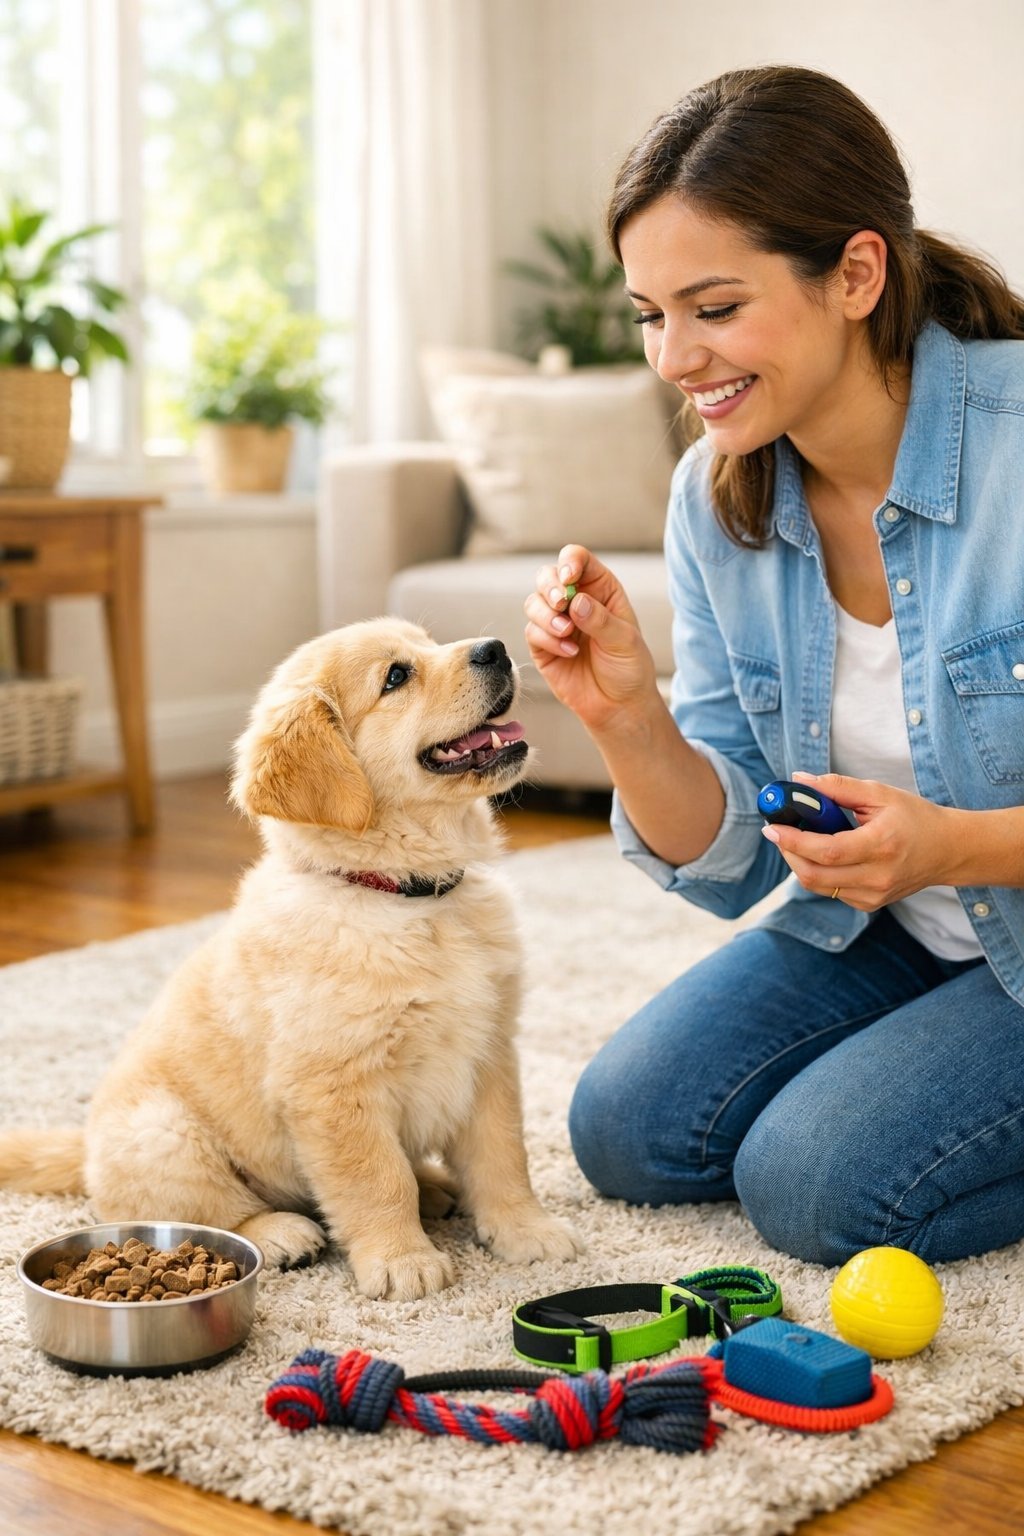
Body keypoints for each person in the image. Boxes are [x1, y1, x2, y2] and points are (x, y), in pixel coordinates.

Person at [524, 64, 1024, 1267]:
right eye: (651, 314)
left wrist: (949, 847)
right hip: (897, 925)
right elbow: (733, 858)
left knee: (816, 1187)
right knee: (627, 1131)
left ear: (856, 275)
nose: (674, 358)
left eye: (713, 307)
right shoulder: (719, 494)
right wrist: (625, 717)